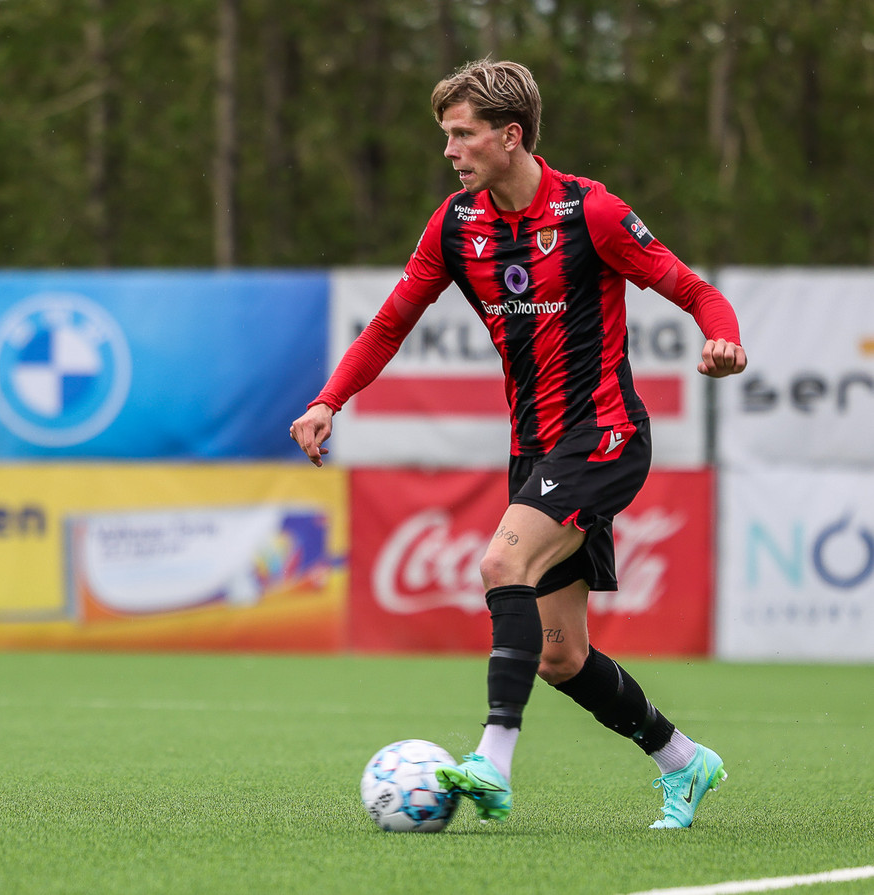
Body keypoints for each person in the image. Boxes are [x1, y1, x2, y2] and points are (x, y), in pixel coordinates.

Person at [290, 59, 747, 829]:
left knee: (502, 563)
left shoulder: (591, 212)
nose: (450, 151)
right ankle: (683, 760)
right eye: (446, 135)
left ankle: (492, 761)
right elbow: (391, 323)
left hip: (604, 434)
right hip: (535, 449)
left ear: (510, 136)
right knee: (561, 654)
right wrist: (329, 398)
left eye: (462, 134)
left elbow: (695, 291)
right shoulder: (455, 224)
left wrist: (723, 339)